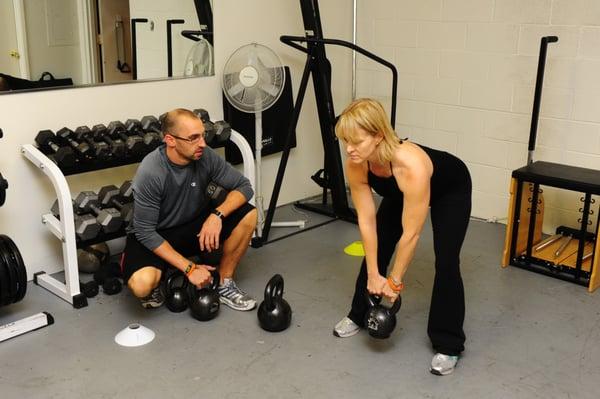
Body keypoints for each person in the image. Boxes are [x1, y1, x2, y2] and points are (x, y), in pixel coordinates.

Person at [332, 98, 472, 376]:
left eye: (356, 141)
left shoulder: (411, 166)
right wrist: (374, 273)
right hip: (400, 191)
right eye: (345, 141)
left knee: (446, 261)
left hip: (450, 189)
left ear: (378, 136)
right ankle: (358, 313)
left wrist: (394, 283)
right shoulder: (357, 162)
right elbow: (366, 220)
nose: (349, 149)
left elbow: (412, 234)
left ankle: (449, 343)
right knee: (380, 244)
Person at [121, 108, 258, 312]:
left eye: (202, 135)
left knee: (249, 213)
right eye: (193, 138)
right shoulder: (151, 171)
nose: (202, 143)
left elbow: (244, 187)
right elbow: (145, 232)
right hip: (156, 234)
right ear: (170, 140)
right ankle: (153, 270)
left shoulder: (205, 156)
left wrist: (217, 215)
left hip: (194, 225)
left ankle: (225, 282)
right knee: (142, 286)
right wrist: (189, 268)